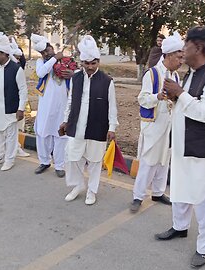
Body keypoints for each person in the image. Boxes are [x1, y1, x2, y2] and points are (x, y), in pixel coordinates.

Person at [154, 26, 205, 268]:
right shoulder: (192, 74)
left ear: (198, 47)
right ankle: (180, 227)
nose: (181, 49)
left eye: (185, 44)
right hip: (184, 147)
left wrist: (180, 94)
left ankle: (204, 247)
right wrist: (176, 96)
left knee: (204, 203)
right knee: (181, 191)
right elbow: (187, 106)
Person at [59, 35, 118, 205]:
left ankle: (92, 190)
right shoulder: (76, 78)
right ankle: (78, 185)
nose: (90, 66)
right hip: (76, 126)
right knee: (73, 157)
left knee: (94, 161)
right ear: (82, 62)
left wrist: (112, 127)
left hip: (97, 127)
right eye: (87, 63)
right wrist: (65, 120)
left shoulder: (107, 81)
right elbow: (70, 101)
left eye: (94, 63)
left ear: (98, 62)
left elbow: (112, 106)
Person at [130, 31, 184, 213]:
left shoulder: (175, 76)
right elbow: (142, 98)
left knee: (164, 160)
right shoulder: (152, 74)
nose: (181, 61)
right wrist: (158, 96)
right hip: (153, 125)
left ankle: (158, 192)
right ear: (168, 55)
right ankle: (138, 196)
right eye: (179, 57)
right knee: (149, 161)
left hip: (169, 124)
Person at [31, 33, 73, 177]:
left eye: (47, 50)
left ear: (51, 47)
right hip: (45, 105)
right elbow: (41, 73)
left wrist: (72, 74)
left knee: (61, 135)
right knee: (43, 133)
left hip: (62, 105)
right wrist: (54, 58)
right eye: (42, 52)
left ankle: (60, 165)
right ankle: (44, 161)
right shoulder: (41, 63)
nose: (45, 53)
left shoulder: (66, 61)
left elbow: (77, 74)